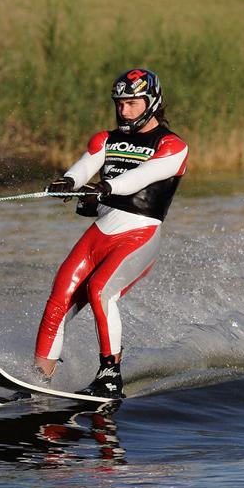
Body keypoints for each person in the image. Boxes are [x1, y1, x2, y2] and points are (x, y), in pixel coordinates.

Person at [35, 68, 188, 399]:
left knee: (100, 290)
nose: (124, 111)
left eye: (132, 103)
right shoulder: (106, 139)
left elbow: (140, 178)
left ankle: (109, 375)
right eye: (120, 104)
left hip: (138, 235)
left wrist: (104, 188)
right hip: (100, 233)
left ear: (152, 102)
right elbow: (85, 166)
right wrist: (69, 182)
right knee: (59, 296)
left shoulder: (172, 146)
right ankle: (37, 380)